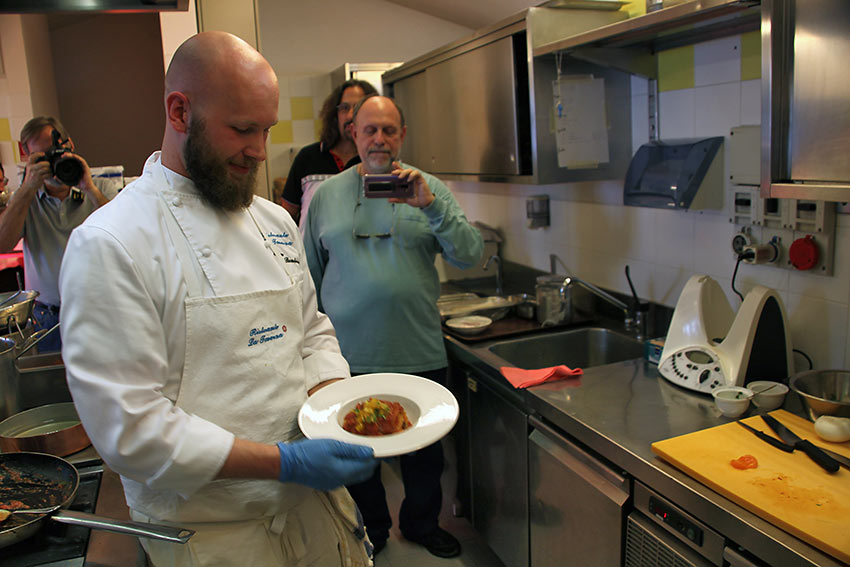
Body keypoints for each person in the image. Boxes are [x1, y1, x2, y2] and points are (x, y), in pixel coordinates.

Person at [59, 31, 378, 566]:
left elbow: (311, 331)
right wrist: (284, 462)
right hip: (211, 539)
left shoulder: (274, 220)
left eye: (267, 129)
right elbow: (130, 429)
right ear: (180, 112)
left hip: (315, 514)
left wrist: (336, 411)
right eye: (242, 129)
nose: (259, 149)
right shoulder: (113, 241)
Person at [303, 95, 484, 559]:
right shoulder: (326, 197)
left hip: (418, 351)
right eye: (369, 130)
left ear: (402, 135)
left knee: (426, 459)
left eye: (388, 130)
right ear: (353, 134)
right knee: (357, 459)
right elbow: (309, 277)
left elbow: (470, 254)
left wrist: (430, 207)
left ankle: (422, 525)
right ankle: (373, 531)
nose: (379, 139)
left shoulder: (430, 189)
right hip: (348, 358)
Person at [0, 116, 117, 351]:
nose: (52, 163)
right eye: (43, 158)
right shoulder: (25, 201)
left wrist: (89, 189)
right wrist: (27, 188)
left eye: (56, 152)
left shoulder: (102, 189)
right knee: (51, 385)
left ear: (70, 146)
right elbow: (2, 244)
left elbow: (125, 233)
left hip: (100, 311)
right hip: (47, 319)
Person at [281, 79, 377, 228]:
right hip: (310, 251)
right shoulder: (307, 157)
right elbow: (285, 217)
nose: (350, 115)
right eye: (344, 108)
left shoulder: (376, 161)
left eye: (358, 107)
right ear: (335, 114)